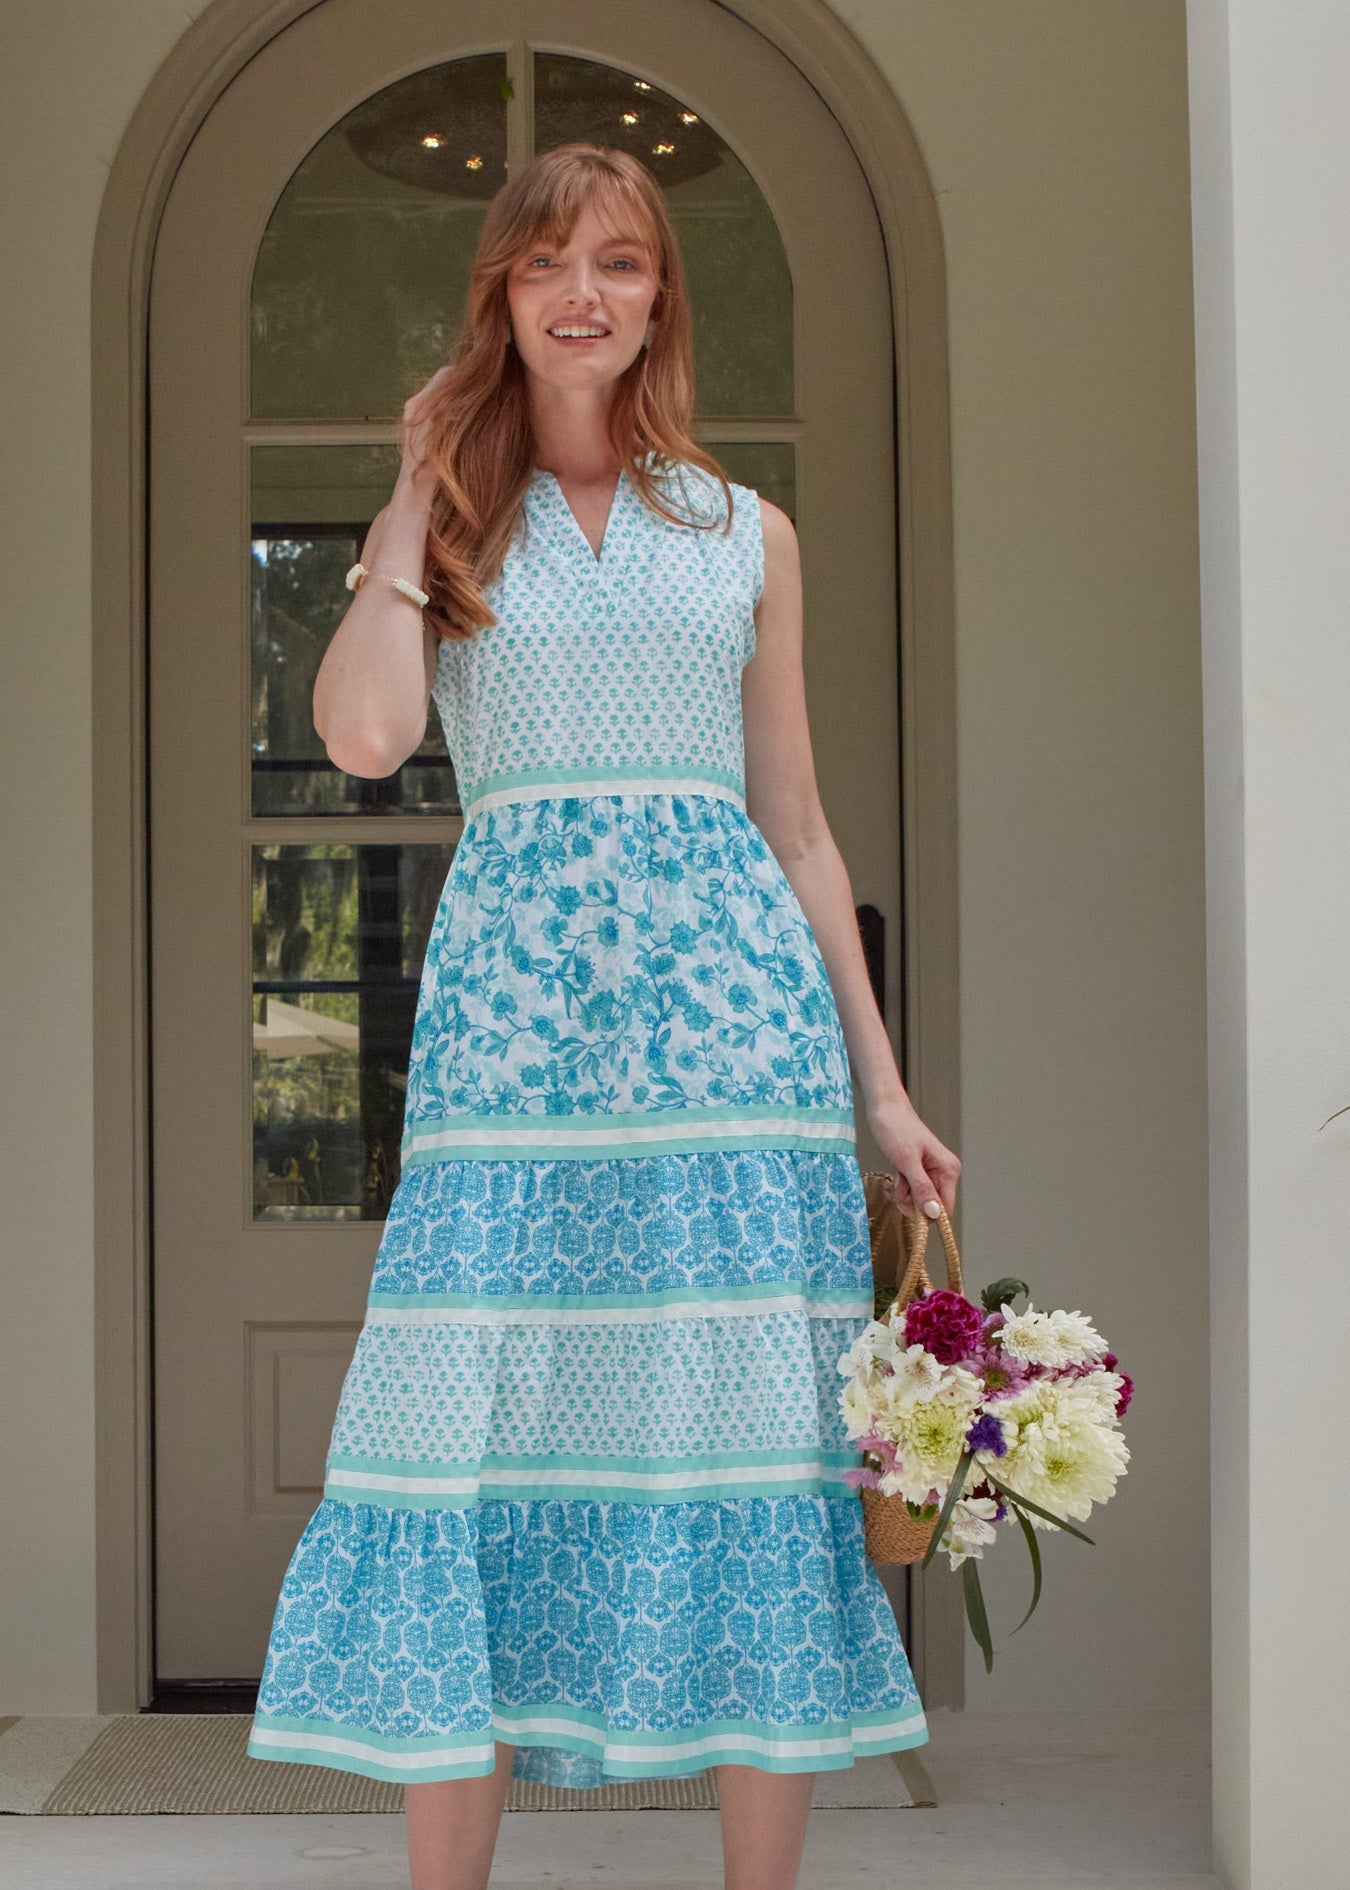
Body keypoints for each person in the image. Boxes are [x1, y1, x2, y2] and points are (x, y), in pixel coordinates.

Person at [246, 141, 961, 1890]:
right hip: (515, 1041)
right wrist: (412, 491)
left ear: (659, 300)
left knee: (747, 1436)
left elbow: (794, 822)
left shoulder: (744, 535)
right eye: (550, 263)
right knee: (459, 1427)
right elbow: (354, 737)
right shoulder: (454, 525)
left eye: (623, 264)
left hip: (734, 1046)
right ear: (499, 294)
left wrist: (877, 1082)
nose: (587, 293)